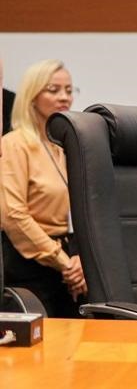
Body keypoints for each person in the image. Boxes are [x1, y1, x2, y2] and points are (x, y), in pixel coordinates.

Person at [0, 60, 86, 316]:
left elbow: (81, 209)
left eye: (69, 90)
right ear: (32, 95)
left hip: (69, 264)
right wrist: (63, 262)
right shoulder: (15, 144)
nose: (64, 97)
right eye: (53, 89)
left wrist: (80, 258)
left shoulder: (63, 146)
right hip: (31, 266)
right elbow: (14, 216)